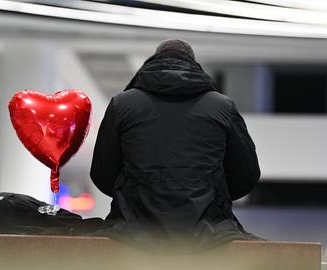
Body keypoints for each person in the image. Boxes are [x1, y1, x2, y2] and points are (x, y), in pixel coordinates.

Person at [90, 39, 261, 251]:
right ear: (193, 64)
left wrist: (132, 192)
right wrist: (214, 192)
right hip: (210, 231)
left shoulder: (122, 104)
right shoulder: (222, 106)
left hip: (132, 229)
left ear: (153, 61)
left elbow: (102, 172)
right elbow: (247, 174)